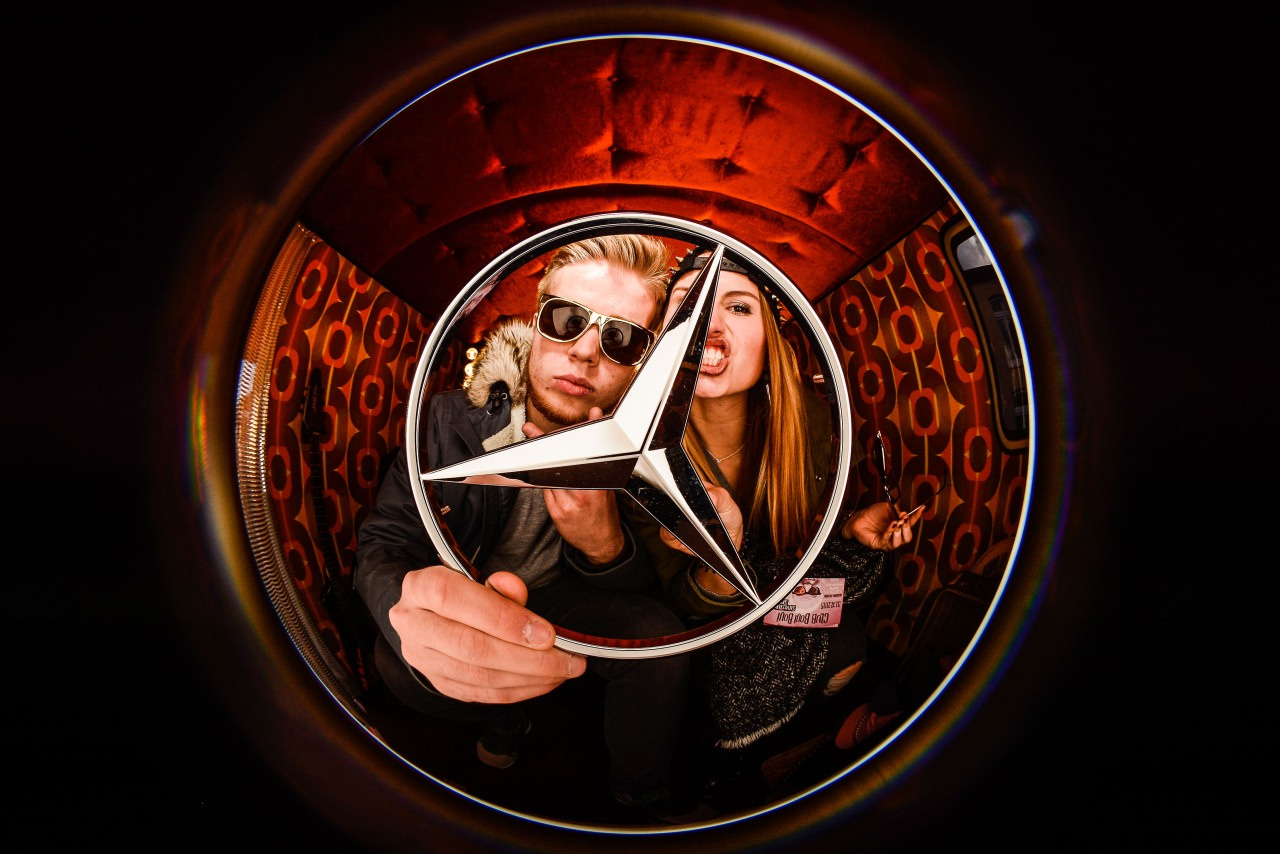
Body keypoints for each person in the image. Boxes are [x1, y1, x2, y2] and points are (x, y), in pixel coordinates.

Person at [354, 234, 715, 824]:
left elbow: (651, 589)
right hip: (472, 590)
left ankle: (641, 801)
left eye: (621, 339)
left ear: (642, 362)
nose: (586, 352)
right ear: (537, 319)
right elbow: (385, 541)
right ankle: (506, 716)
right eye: (567, 320)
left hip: (564, 597)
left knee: (657, 640)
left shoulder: (650, 454)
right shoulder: (449, 419)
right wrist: (406, 604)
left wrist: (604, 546)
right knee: (400, 661)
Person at [634, 247, 926, 793]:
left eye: (738, 307)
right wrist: (722, 554)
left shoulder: (810, 422)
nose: (709, 322)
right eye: (689, 302)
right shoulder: (639, 451)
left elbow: (797, 541)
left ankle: (801, 754)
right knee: (737, 686)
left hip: (776, 585)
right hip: (699, 619)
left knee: (852, 636)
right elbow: (674, 600)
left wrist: (851, 527)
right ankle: (741, 778)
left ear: (770, 339)